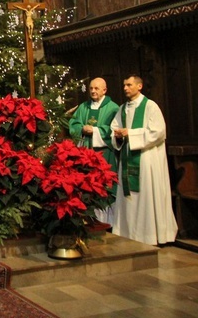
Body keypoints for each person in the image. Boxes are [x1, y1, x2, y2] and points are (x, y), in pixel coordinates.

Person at [110, 75, 178, 245]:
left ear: (139, 86)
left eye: (129, 85)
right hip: (128, 157)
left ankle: (149, 234)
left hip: (147, 159)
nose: (125, 88)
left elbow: (158, 132)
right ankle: (128, 232)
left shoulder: (150, 106)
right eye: (124, 85)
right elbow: (114, 128)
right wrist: (117, 135)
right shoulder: (123, 108)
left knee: (146, 195)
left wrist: (130, 134)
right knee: (129, 198)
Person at [68, 78, 119, 223]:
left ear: (105, 90)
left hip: (104, 155)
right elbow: (74, 123)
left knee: (103, 186)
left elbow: (114, 130)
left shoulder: (113, 108)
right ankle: (88, 218)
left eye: (96, 88)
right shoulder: (84, 106)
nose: (93, 91)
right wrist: (81, 128)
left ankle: (107, 221)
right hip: (85, 153)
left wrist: (95, 130)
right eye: (91, 88)